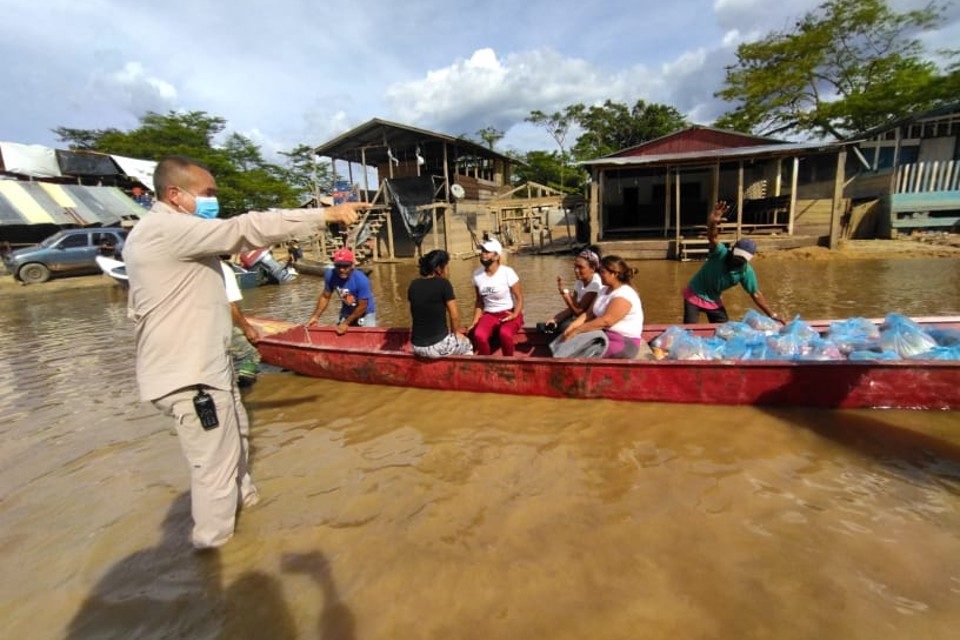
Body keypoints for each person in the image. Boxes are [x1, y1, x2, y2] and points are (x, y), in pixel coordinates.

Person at [123, 155, 366, 550]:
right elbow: (245, 228)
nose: (212, 202)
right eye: (207, 194)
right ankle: (217, 556)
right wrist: (328, 215)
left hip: (211, 368)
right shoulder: (166, 230)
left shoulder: (174, 233)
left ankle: (253, 522)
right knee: (214, 470)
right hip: (191, 376)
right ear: (174, 195)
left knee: (238, 440)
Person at [683, 201, 782, 324]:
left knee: (725, 331)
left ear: (747, 260)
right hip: (695, 293)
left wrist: (772, 314)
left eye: (742, 259)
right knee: (689, 331)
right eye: (737, 256)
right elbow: (712, 237)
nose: (737, 260)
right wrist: (713, 222)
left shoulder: (745, 271)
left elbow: (755, 294)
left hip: (714, 300)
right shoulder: (720, 253)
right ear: (733, 250)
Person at [556, 255, 648, 359]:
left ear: (614, 274)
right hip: (602, 335)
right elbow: (588, 314)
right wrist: (571, 328)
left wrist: (577, 331)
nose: (599, 275)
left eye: (602, 272)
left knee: (575, 352)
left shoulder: (625, 294)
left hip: (623, 341)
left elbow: (606, 321)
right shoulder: (604, 290)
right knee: (564, 339)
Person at [407, 249, 473, 358]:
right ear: (438, 269)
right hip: (437, 347)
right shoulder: (444, 284)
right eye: (446, 266)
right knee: (467, 344)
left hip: (416, 346)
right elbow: (454, 315)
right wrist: (456, 333)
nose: (448, 270)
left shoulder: (413, 285)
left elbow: (416, 312)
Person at [468, 238, 524, 356]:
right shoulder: (477, 275)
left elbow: (519, 298)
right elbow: (479, 302)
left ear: (496, 256)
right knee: (479, 335)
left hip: (508, 313)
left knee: (505, 333)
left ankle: (509, 363)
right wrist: (475, 321)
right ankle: (488, 363)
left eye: (487, 252)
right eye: (482, 250)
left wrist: (514, 314)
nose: (483, 254)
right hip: (489, 314)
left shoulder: (508, 272)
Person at [307, 247, 377, 334]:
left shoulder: (361, 280)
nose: (341, 269)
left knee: (368, 337)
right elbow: (325, 297)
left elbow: (363, 306)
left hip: (365, 311)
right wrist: (315, 316)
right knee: (339, 334)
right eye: (338, 266)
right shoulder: (330, 275)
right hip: (347, 309)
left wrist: (346, 323)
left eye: (345, 266)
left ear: (352, 265)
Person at [541, 248, 603, 335]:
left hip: (591, 321)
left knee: (564, 327)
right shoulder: (580, 281)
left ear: (592, 268)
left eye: (580, 267)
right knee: (550, 325)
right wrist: (555, 319)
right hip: (580, 318)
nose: (576, 270)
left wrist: (566, 295)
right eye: (575, 266)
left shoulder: (596, 283)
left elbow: (578, 311)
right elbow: (572, 307)